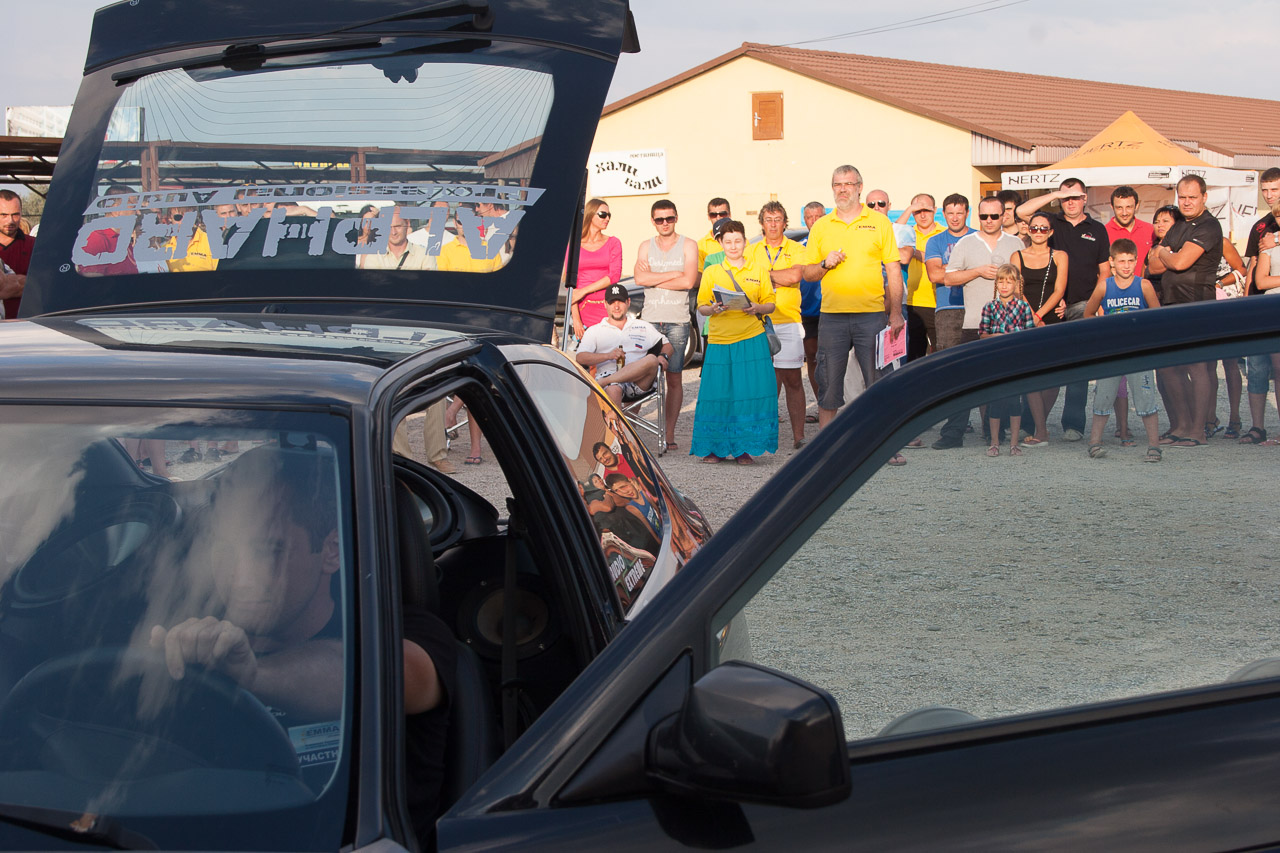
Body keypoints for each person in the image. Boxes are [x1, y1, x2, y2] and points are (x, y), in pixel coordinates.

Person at [148, 446, 455, 845]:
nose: (239, 577)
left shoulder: (408, 634)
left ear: (331, 551)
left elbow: (369, 675)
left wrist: (255, 675)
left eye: (267, 550)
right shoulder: (192, 643)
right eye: (223, 549)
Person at [799, 166, 905, 436]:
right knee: (828, 385)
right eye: (837, 184)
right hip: (832, 317)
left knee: (878, 382)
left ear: (859, 187)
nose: (843, 189)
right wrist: (825, 263)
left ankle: (883, 446)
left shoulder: (879, 222)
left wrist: (895, 313)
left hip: (871, 315)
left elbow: (893, 270)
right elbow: (808, 274)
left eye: (848, 184)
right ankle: (826, 447)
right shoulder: (822, 226)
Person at [1016, 178, 1112, 441]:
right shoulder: (1051, 223)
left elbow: (1104, 271)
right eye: (1066, 197)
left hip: (1082, 304)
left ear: (1085, 199)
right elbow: (1022, 212)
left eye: (1076, 197)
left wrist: (1095, 305)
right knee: (1039, 368)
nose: (1070, 202)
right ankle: (1030, 423)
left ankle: (1073, 424)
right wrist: (1055, 194)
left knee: (1078, 368)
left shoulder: (1097, 229)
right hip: (1049, 307)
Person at [939, 197, 1025, 448]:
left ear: (1003, 216)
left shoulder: (1015, 243)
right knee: (963, 381)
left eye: (994, 216)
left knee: (1002, 380)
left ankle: (994, 432)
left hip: (1007, 325)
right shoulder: (966, 243)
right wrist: (977, 271)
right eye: (984, 216)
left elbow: (1023, 282)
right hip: (974, 322)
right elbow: (948, 278)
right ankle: (953, 434)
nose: (989, 221)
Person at [692, 219, 777, 464]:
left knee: (748, 393)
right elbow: (701, 306)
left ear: (745, 242)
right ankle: (715, 448)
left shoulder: (758, 270)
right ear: (721, 243)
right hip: (719, 339)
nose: (733, 246)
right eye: (728, 241)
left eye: (737, 241)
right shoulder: (712, 271)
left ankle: (744, 448)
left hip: (751, 338)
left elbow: (771, 304)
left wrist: (757, 307)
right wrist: (713, 309)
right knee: (717, 394)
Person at [1147, 175, 1223, 447]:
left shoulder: (1209, 225)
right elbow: (1152, 266)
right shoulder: (1178, 225)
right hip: (1170, 303)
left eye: (1193, 197)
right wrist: (1167, 255)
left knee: (1196, 366)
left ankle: (1198, 430)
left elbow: (1179, 262)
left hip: (1197, 304)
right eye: (1183, 197)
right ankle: (1181, 425)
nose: (1187, 202)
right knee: (1168, 366)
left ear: (1204, 197)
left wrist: (1164, 252)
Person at [1081, 239, 1164, 462]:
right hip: (1112, 351)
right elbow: (1088, 313)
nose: (1126, 266)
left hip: (1138, 352)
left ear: (1136, 261)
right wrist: (1103, 331)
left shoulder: (1144, 285)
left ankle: (1154, 446)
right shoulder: (1105, 286)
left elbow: (1158, 316)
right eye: (1121, 261)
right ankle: (1094, 443)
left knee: (1146, 397)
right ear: (1112, 262)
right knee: (1103, 396)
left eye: (1130, 261)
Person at [633, 199, 698, 448]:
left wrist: (653, 278)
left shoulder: (688, 245)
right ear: (653, 221)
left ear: (676, 218)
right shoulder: (645, 246)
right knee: (642, 376)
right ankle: (629, 431)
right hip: (650, 320)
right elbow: (639, 278)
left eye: (669, 218)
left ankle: (669, 434)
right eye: (660, 219)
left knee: (674, 378)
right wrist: (674, 274)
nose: (665, 223)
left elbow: (689, 282)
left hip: (677, 321)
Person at [748, 201, 808, 449]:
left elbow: (795, 276)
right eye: (768, 220)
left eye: (778, 220)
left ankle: (799, 437)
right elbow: (747, 283)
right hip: (758, 322)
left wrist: (764, 277)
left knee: (793, 379)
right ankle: (762, 436)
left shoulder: (797, 248)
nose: (773, 225)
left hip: (788, 321)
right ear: (762, 223)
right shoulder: (751, 250)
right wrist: (778, 276)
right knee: (763, 381)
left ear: (785, 223)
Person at [1010, 211, 1068, 445]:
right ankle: (1041, 430)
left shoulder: (1060, 256)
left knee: (1053, 379)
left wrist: (1040, 315)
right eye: (1034, 227)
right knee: (1033, 378)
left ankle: (1038, 425)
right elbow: (1017, 289)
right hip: (1025, 319)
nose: (1038, 232)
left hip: (1051, 319)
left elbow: (1059, 290)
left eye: (1043, 228)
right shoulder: (1017, 255)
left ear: (1051, 232)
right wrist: (1031, 316)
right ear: (1028, 229)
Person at [922, 193, 974, 449]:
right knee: (952, 371)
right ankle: (953, 432)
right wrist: (971, 270)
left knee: (984, 367)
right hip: (948, 310)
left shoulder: (978, 237)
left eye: (959, 213)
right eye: (950, 213)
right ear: (943, 214)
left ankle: (993, 429)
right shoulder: (936, 241)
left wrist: (950, 270)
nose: (955, 218)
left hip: (978, 306)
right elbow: (934, 275)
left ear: (967, 213)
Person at [575, 283, 671, 406]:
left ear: (628, 302)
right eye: (612, 302)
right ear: (605, 304)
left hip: (638, 381)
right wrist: (608, 356)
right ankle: (622, 419)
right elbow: (580, 357)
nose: (616, 307)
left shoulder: (642, 326)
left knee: (652, 359)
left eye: (620, 302)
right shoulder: (595, 330)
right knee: (614, 389)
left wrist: (663, 356)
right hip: (610, 382)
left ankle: (606, 382)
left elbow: (667, 345)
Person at [978, 264, 1037, 457]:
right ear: (996, 284)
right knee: (996, 401)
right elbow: (982, 334)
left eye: (1009, 282)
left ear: (1016, 284)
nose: (1004, 286)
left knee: (1014, 401)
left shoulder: (1023, 307)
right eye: (1001, 281)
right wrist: (996, 337)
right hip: (995, 360)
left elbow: (1030, 334)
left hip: (1016, 360)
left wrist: (1014, 339)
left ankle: (1014, 444)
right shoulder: (989, 307)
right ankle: (994, 442)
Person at [1240, 196, 1280, 446]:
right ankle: (1257, 426)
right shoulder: (1268, 245)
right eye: (1278, 216)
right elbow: (1260, 280)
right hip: (1269, 307)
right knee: (1257, 367)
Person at [896, 193, 944, 362]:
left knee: (940, 357)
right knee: (913, 358)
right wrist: (909, 209)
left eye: (926, 210)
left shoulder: (943, 234)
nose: (922, 215)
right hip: (912, 302)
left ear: (935, 210)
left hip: (937, 302)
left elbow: (943, 263)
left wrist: (912, 251)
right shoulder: (907, 232)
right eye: (917, 211)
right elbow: (893, 232)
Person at [569, 199, 622, 339]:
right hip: (583, 309)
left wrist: (584, 291)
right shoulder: (574, 245)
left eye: (609, 215)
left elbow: (614, 276)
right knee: (586, 351)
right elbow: (571, 285)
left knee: (611, 349)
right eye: (603, 214)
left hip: (607, 306)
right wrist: (576, 319)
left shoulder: (613, 243)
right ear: (590, 214)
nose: (607, 218)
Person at [799, 200, 827, 411]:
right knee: (813, 359)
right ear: (805, 220)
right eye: (810, 217)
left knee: (836, 359)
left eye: (819, 216)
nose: (814, 221)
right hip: (807, 310)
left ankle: (840, 404)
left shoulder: (835, 242)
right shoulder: (799, 247)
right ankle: (821, 405)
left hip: (831, 310)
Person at [358, 206, 433, 270]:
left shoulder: (425, 255)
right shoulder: (373, 256)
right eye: (388, 227)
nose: (393, 232)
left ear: (407, 223)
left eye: (397, 226)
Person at [0, 189, 32, 317]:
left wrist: (7, 284)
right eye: (4, 215)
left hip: (27, 323)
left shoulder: (36, 246)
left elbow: (45, 283)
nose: (10, 221)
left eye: (15, 215)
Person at [698, 198, 731, 271]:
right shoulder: (701, 245)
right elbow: (700, 273)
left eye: (722, 214)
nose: (718, 218)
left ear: (729, 214)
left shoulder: (740, 241)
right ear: (708, 217)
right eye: (713, 215)